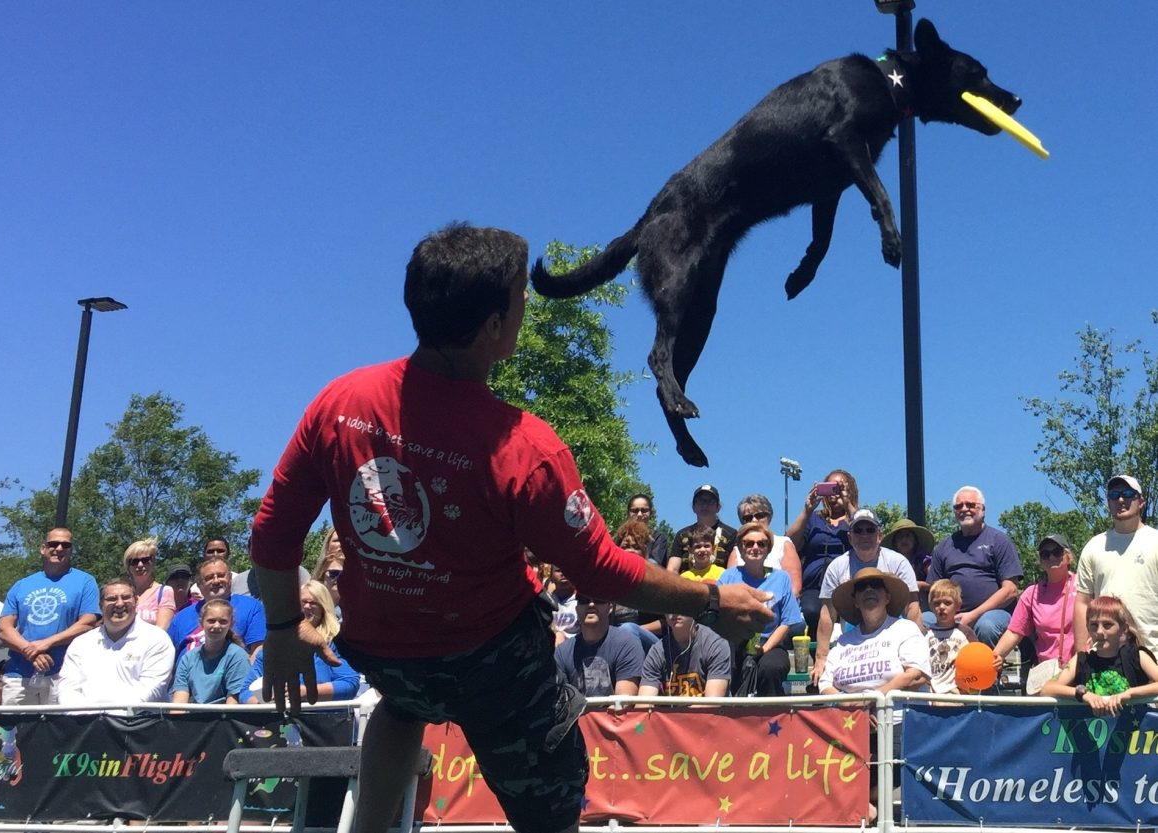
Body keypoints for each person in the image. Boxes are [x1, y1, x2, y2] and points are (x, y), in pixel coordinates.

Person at [248, 224, 771, 833]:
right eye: (521, 295)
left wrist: (282, 629)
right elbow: (600, 569)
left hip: (389, 652)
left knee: (402, 705)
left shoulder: (340, 404)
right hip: (492, 664)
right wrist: (711, 600)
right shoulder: (524, 449)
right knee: (550, 799)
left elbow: (273, 531)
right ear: (494, 326)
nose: (527, 303)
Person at [820, 567, 929, 822]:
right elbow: (825, 683)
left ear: (887, 596)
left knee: (888, 759)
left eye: (876, 585)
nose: (869, 590)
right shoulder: (844, 642)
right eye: (862, 587)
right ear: (855, 600)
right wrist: (854, 707)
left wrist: (873, 700)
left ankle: (863, 802)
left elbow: (916, 674)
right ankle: (862, 804)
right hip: (849, 725)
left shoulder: (905, 629)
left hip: (898, 725)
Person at [813, 509, 920, 685]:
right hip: (853, 636)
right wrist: (821, 657)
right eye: (858, 530)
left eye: (870, 530)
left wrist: (918, 649)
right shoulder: (837, 566)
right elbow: (828, 614)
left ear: (879, 536)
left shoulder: (898, 562)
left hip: (894, 633)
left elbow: (912, 607)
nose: (864, 535)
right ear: (850, 537)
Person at [0, 528, 101, 706]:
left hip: (63, 673)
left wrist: (46, 643)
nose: (59, 548)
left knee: (59, 724)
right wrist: (30, 651)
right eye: (53, 544)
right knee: (13, 723)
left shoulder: (85, 581)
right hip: (19, 674)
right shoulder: (21, 585)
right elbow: (4, 629)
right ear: (43, 548)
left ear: (71, 550)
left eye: (65, 545)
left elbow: (88, 623)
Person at [924, 486, 1022, 647]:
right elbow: (935, 589)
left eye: (970, 505)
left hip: (992, 613)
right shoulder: (944, 547)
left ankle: (987, 664)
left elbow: (1010, 590)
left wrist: (973, 615)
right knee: (922, 621)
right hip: (949, 614)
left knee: (986, 626)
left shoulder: (999, 541)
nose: (964, 509)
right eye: (958, 506)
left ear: (983, 510)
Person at [56, 577, 176, 707]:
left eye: (126, 597)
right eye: (112, 599)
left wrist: (110, 714)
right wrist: (86, 716)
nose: (119, 604)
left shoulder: (157, 639)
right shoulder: (80, 644)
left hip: (139, 718)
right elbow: (67, 690)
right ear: (100, 605)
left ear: (136, 601)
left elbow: (151, 691)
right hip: (86, 718)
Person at [717, 523, 803, 696]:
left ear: (768, 549)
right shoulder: (728, 577)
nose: (755, 548)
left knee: (772, 668)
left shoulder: (781, 578)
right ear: (741, 549)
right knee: (726, 662)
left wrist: (764, 649)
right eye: (749, 543)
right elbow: (718, 614)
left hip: (770, 644)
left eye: (761, 543)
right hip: (735, 642)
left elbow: (787, 622)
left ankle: (771, 711)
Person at [1074, 475, 1158, 651]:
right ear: (1108, 503)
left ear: (1141, 501)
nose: (1120, 500)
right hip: (1105, 655)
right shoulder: (1094, 547)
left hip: (1153, 652)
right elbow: (1082, 602)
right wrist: (1081, 655)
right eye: (1114, 495)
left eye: (1128, 494)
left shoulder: (1154, 541)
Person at [243, 581, 359, 703]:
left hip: (322, 713)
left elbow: (349, 683)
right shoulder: (273, 646)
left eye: (313, 603)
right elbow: (245, 690)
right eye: (303, 602)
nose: (307, 606)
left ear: (323, 608)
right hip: (277, 713)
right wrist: (261, 702)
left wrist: (306, 692)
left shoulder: (335, 644)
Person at [1041, 595, 1158, 717]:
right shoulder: (1081, 660)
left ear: (1124, 629)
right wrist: (1083, 694)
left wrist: (1130, 693)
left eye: (1107, 625)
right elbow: (1047, 689)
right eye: (1094, 625)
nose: (1099, 632)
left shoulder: (1137, 656)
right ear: (1087, 628)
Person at [992, 533, 1077, 689]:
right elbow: (1014, 632)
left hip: (1079, 670)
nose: (1051, 557)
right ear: (1041, 562)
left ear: (1068, 556)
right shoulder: (1031, 594)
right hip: (1048, 673)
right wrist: (995, 656)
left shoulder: (1084, 587)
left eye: (1057, 552)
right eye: (1045, 554)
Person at [787, 469, 858, 633]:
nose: (834, 494)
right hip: (815, 587)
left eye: (839, 488)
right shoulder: (814, 519)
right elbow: (789, 543)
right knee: (811, 611)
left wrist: (848, 505)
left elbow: (868, 537)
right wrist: (807, 511)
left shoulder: (857, 518)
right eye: (831, 488)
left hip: (849, 584)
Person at [167, 556, 265, 657]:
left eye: (221, 575)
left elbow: (258, 651)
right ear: (199, 584)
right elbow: (167, 654)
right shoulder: (181, 618)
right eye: (209, 578)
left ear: (230, 578)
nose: (216, 581)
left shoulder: (252, 607)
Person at [553, 595, 643, 697]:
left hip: (614, 708)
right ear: (577, 609)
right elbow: (561, 699)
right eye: (584, 600)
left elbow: (624, 702)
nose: (591, 604)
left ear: (610, 608)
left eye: (599, 600)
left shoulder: (627, 644)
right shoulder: (562, 652)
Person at [170, 599, 251, 705]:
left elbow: (234, 701)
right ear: (201, 623)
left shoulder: (238, 656)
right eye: (211, 621)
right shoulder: (188, 658)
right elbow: (179, 701)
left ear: (231, 624)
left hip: (224, 714)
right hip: (194, 714)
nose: (216, 626)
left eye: (223, 621)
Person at [637, 614, 731, 698]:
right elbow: (644, 705)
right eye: (668, 607)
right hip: (671, 713)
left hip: (708, 713)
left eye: (680, 605)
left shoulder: (715, 645)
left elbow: (712, 704)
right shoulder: (657, 651)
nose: (674, 612)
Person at [725, 494, 802, 597]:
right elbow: (730, 587)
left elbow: (794, 589)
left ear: (769, 517)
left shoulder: (783, 544)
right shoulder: (737, 551)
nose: (754, 520)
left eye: (760, 516)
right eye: (747, 518)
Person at [611, 519, 662, 651]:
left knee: (627, 629)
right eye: (625, 546)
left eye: (636, 547)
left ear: (645, 553)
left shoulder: (656, 581)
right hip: (615, 641)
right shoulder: (609, 581)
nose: (630, 551)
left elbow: (666, 623)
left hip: (650, 644)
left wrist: (637, 630)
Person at [924, 579, 977, 694]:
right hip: (930, 691)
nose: (942, 607)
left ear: (958, 606)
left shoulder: (966, 633)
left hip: (955, 690)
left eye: (947, 603)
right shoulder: (926, 634)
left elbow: (977, 660)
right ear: (931, 606)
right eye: (937, 603)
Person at [667, 485, 736, 573]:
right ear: (693, 507)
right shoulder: (682, 535)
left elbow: (733, 571)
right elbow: (672, 569)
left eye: (710, 501)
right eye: (700, 501)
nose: (705, 505)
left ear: (718, 507)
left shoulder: (731, 534)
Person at [881, 518, 934, 611]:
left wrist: (920, 585)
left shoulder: (924, 559)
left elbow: (937, 583)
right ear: (895, 542)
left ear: (915, 540)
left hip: (924, 608)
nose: (904, 540)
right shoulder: (889, 562)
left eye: (908, 536)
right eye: (900, 537)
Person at [124, 538, 176, 629]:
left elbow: (161, 630)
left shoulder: (164, 592)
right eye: (134, 561)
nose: (140, 565)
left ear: (153, 562)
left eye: (145, 560)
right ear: (128, 566)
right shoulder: (123, 594)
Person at [625, 494, 669, 568]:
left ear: (651, 513)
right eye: (635, 511)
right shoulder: (621, 537)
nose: (639, 514)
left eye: (644, 510)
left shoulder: (658, 537)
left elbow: (654, 564)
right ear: (628, 513)